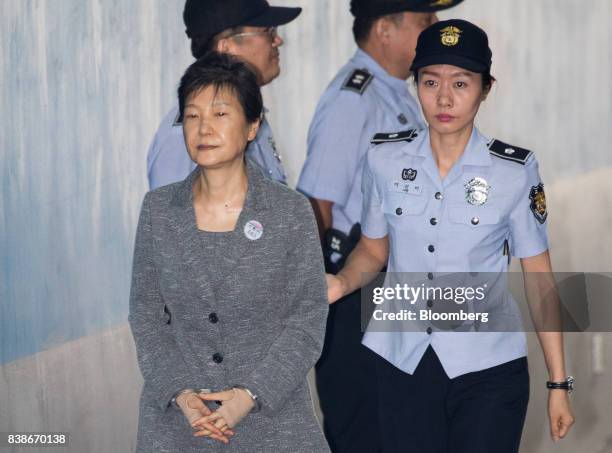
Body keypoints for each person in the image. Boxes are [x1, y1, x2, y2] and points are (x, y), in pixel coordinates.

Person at [327, 19, 576, 453]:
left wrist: (559, 382)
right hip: (400, 361)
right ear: (416, 84)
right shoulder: (384, 158)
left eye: (461, 83)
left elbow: (539, 280)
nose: (444, 98)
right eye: (430, 82)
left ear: (485, 88)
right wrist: (342, 282)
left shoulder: (513, 172)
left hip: (488, 369)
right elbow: (372, 249)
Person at [129, 52, 330, 452]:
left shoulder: (289, 211)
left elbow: (307, 321)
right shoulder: (158, 210)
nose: (204, 128)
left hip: (273, 423)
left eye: (220, 114)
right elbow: (146, 317)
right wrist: (183, 396)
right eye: (192, 115)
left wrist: (250, 395)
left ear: (253, 125)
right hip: (181, 425)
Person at [297, 1, 464, 451]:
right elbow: (316, 205)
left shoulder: (395, 94)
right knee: (369, 430)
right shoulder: (353, 100)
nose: (436, 30)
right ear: (385, 31)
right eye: (425, 22)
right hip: (361, 299)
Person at [147, 0, 301, 189]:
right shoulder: (186, 137)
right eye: (268, 31)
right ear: (226, 47)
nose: (278, 40)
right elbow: (171, 215)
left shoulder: (247, 111)